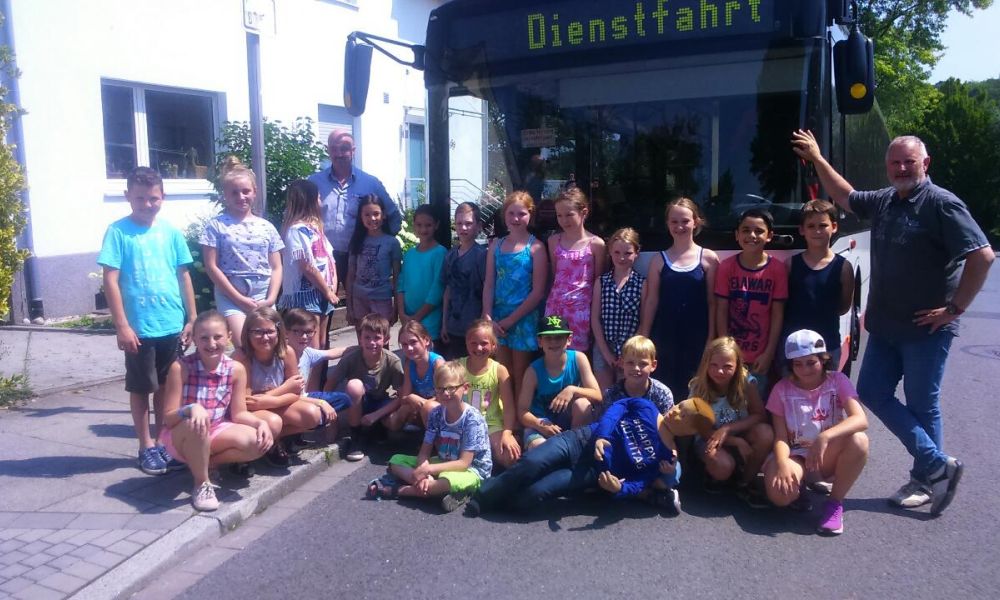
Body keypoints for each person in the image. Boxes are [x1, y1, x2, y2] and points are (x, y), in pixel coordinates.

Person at [791, 129, 994, 515]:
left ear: (925, 164)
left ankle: (925, 479)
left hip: (927, 329)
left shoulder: (941, 204)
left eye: (909, 162)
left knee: (922, 404)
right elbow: (845, 196)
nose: (901, 168)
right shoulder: (885, 200)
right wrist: (816, 158)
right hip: (885, 326)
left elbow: (981, 256)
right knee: (870, 391)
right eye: (895, 162)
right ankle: (937, 466)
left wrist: (954, 309)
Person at [98, 166, 198, 475]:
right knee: (142, 388)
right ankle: (145, 446)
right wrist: (122, 325)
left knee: (166, 388)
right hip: (139, 328)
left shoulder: (170, 232)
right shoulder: (118, 232)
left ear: (162, 197)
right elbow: (110, 280)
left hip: (171, 324)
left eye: (153, 198)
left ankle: (163, 442)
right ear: (128, 196)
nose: (147, 204)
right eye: (140, 198)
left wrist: (192, 318)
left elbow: (183, 275)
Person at [470, 397, 717, 516]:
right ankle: (483, 496)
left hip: (590, 472)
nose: (675, 412)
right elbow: (617, 408)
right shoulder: (647, 408)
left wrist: (618, 489)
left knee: (535, 494)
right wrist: (603, 436)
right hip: (581, 440)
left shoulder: (665, 456)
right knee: (533, 462)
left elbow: (640, 481)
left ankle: (501, 498)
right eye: (679, 406)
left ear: (691, 430)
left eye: (684, 416)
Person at [160, 310, 274, 511]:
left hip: (216, 430)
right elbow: (168, 418)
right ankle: (202, 484)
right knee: (197, 424)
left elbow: (239, 413)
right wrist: (191, 409)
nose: (211, 344)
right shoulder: (181, 367)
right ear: (195, 339)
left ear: (229, 336)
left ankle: (205, 463)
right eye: (204, 338)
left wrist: (260, 423)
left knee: (255, 442)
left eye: (217, 337)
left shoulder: (235, 369)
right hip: (182, 434)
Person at [764, 330, 869, 535]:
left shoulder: (837, 380)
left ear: (823, 359)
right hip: (796, 455)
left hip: (825, 454)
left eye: (811, 362)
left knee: (859, 440)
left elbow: (860, 419)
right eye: (798, 364)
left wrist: (825, 437)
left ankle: (834, 504)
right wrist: (783, 463)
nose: (805, 369)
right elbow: (781, 437)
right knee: (780, 495)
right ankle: (800, 485)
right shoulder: (781, 389)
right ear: (790, 365)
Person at [371, 361, 492, 513]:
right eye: (440, 389)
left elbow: (464, 463)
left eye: (451, 388)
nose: (445, 394)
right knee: (395, 461)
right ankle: (434, 488)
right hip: (444, 461)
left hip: (472, 470)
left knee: (446, 481)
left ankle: (400, 490)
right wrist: (424, 471)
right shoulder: (436, 414)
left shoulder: (472, 419)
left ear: (465, 388)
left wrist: (428, 470)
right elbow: (425, 451)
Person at [200, 157, 284, 349]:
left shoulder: (267, 227)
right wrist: (239, 299)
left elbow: (277, 266)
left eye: (246, 191)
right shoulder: (216, 226)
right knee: (243, 345)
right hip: (231, 293)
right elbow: (211, 266)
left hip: (263, 293)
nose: (241, 197)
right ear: (225, 195)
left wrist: (271, 299)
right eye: (234, 192)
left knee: (268, 345)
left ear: (255, 192)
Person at [642, 198, 720, 401]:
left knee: (694, 389)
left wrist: (711, 337)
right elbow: (652, 301)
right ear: (668, 224)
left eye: (685, 221)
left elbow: (713, 302)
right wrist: (644, 335)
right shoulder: (658, 260)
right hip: (665, 336)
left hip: (697, 336)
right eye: (674, 221)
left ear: (696, 222)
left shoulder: (708, 258)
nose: (679, 226)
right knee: (665, 387)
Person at [233, 307, 331, 468]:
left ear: (279, 332)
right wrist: (284, 388)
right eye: (258, 332)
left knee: (313, 415)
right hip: (248, 414)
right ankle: (259, 448)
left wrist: (268, 400)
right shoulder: (241, 357)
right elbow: (247, 403)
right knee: (274, 422)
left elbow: (296, 393)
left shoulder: (287, 353)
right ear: (247, 333)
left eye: (270, 331)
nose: (265, 337)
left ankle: (270, 440)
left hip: (272, 404)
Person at [309, 129, 402, 290]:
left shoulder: (370, 183)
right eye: (334, 148)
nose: (339, 153)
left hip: (360, 257)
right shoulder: (313, 182)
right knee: (322, 303)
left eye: (344, 148)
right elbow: (297, 216)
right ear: (328, 150)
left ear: (353, 151)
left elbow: (393, 216)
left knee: (361, 304)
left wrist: (380, 244)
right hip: (322, 258)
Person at [688, 337, 774, 508]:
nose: (719, 371)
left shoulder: (746, 382)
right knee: (723, 467)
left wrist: (728, 429)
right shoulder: (698, 386)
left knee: (765, 433)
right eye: (714, 365)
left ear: (738, 365)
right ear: (706, 364)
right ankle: (715, 473)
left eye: (727, 366)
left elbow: (759, 415)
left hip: (737, 432)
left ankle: (745, 482)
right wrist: (735, 441)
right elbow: (701, 429)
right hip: (709, 438)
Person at [714, 208, 788, 395]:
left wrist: (769, 353)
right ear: (737, 235)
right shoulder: (726, 267)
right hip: (731, 357)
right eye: (746, 230)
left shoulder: (777, 269)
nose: (752, 235)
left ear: (769, 236)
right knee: (728, 403)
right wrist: (725, 350)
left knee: (755, 404)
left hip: (759, 358)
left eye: (759, 231)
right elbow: (721, 310)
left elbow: (777, 314)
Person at [482, 191, 549, 399]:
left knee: (521, 374)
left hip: (522, 319)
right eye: (511, 213)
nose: (516, 218)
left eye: (521, 214)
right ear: (504, 215)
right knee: (502, 373)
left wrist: (512, 320)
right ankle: (504, 413)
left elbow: (538, 292)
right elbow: (489, 283)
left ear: (530, 215)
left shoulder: (536, 248)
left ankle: (521, 415)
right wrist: (488, 316)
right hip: (498, 320)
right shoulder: (496, 245)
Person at [781, 199, 853, 370]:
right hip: (793, 347)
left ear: (834, 227)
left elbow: (843, 307)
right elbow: (782, 305)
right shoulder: (790, 265)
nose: (817, 231)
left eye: (823, 225)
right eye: (811, 226)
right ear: (802, 230)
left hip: (828, 346)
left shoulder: (843, 268)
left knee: (828, 386)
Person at [322, 313, 404, 461]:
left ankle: (378, 425)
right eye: (367, 337)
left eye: (377, 338)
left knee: (393, 422)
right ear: (360, 338)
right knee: (354, 385)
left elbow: (401, 396)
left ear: (386, 339)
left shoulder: (393, 361)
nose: (372, 342)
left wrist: (376, 415)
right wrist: (331, 419)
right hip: (358, 402)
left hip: (380, 402)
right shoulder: (350, 358)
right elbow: (329, 386)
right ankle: (356, 437)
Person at [519, 315, 603, 451]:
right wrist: (539, 425)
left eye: (559, 337)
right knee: (539, 447)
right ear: (540, 341)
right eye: (548, 338)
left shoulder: (579, 359)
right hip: (541, 423)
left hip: (568, 421)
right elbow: (522, 411)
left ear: (569, 339)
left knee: (582, 404)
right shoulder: (533, 371)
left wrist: (572, 389)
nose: (553, 342)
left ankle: (577, 450)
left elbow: (598, 395)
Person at [278, 179, 338, 349]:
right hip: (306, 295)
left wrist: (332, 285)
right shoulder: (296, 230)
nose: (321, 200)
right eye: (318, 197)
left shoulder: (316, 229)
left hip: (322, 292)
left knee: (321, 344)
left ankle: (319, 370)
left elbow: (329, 259)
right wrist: (327, 290)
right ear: (309, 200)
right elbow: (306, 265)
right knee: (310, 346)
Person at [544, 188, 605, 353]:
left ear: (584, 212)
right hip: (555, 307)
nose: (564, 220)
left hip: (581, 310)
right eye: (559, 215)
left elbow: (598, 280)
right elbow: (554, 275)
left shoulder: (596, 244)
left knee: (576, 356)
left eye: (569, 214)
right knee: (553, 353)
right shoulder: (553, 241)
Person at [459, 319, 521, 469]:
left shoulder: (499, 370)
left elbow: (508, 406)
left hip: (491, 423)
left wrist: (507, 432)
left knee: (509, 457)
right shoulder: (458, 366)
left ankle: (487, 450)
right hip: (463, 422)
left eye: (484, 343)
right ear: (466, 343)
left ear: (494, 345)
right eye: (473, 343)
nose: (479, 348)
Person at [592, 228, 649, 390]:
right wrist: (606, 353)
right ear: (610, 252)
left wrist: (628, 353)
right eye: (617, 252)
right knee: (603, 394)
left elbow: (644, 320)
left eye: (628, 253)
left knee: (626, 393)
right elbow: (595, 318)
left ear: (636, 253)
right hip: (604, 345)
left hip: (630, 348)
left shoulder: (642, 283)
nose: (622, 258)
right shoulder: (601, 282)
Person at [282, 308, 347, 447]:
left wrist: (361, 347)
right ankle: (284, 436)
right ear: (286, 332)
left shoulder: (307, 352)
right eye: (297, 331)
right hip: (287, 401)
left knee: (343, 399)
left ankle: (300, 431)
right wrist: (321, 403)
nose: (304, 336)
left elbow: (331, 353)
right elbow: (289, 396)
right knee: (318, 412)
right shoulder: (281, 357)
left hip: (303, 397)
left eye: (308, 332)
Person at [440, 202, 487, 360]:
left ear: (478, 226)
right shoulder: (450, 255)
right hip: (453, 326)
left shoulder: (482, 255)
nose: (463, 228)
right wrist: (444, 323)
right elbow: (447, 290)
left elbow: (487, 290)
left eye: (468, 223)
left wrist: (483, 324)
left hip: (475, 325)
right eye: (459, 223)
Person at [346, 194, 401, 325]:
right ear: (361, 217)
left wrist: (397, 307)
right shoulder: (356, 241)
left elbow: (397, 277)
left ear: (384, 215)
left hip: (382, 298)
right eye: (367, 214)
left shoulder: (392, 243)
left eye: (376, 214)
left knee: (381, 336)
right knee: (363, 337)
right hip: (359, 299)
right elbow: (351, 275)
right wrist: (349, 306)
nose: (372, 218)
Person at [397, 204, 447, 345]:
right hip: (409, 321)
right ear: (414, 225)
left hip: (430, 322)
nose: (423, 229)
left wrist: (417, 317)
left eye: (428, 225)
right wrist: (401, 313)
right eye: (419, 225)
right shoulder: (409, 254)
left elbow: (437, 290)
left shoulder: (440, 253)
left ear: (436, 225)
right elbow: (401, 285)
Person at [382, 320, 445, 430]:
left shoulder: (437, 364)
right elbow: (404, 397)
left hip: (440, 408)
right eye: (404, 344)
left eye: (413, 342)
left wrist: (416, 400)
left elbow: (444, 398)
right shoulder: (409, 364)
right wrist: (411, 399)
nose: (409, 348)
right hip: (419, 406)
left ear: (426, 340)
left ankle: (435, 438)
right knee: (394, 421)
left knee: (428, 408)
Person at [601, 335, 674, 416]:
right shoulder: (611, 394)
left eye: (643, 363)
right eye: (630, 363)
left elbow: (668, 423)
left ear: (653, 365)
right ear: (622, 363)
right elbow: (606, 422)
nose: (636, 368)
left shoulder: (662, 394)